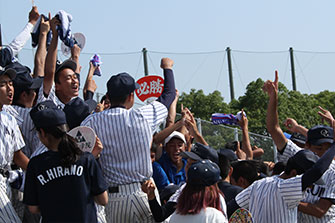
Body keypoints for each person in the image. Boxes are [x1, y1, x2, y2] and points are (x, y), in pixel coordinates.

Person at [81, 57, 176, 222]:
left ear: (109, 96)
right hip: (143, 193)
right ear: (131, 96)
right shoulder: (142, 115)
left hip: (112, 199)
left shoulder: (92, 121)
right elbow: (168, 96)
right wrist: (167, 68)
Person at [264, 71, 335, 222]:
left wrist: (283, 198)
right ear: (307, 146)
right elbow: (274, 129)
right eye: (319, 148)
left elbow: (319, 211)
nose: (323, 153)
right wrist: (273, 99)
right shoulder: (300, 156)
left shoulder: (333, 171)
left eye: (328, 148)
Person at [23, 100, 108, 223]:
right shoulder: (86, 159)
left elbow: (33, 208)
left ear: (42, 133)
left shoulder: (36, 164)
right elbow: (103, 199)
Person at [0, 67, 29, 222]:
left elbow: (17, 156)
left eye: (10, 83)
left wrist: (38, 170)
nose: (9, 88)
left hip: (6, 180)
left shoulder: (9, 118)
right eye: (3, 84)